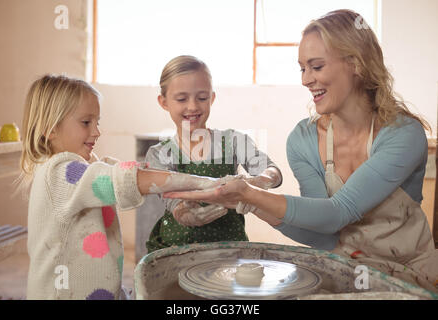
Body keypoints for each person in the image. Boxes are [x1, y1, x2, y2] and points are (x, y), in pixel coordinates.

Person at [164, 10, 438, 292]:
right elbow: (324, 234)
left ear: (356, 64)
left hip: (409, 277)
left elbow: (338, 213)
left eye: (316, 67)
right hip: (344, 271)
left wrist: (253, 193)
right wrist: (248, 204)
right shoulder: (303, 139)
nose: (306, 80)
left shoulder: (403, 134)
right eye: (302, 69)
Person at [20, 74, 233, 300]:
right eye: (86, 122)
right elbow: (123, 179)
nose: (96, 132)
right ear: (50, 128)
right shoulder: (58, 173)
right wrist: (204, 183)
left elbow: (127, 172)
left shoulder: (88, 165)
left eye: (97, 122)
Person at [145, 55, 283, 253]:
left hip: (229, 249)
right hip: (175, 250)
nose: (192, 106)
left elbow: (272, 171)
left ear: (212, 98)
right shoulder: (159, 154)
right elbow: (171, 199)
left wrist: (258, 182)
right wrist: (184, 213)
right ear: (164, 102)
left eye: (201, 98)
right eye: (182, 99)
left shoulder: (234, 141)